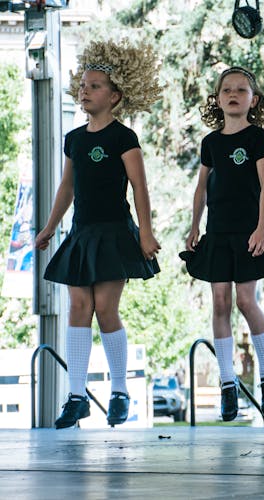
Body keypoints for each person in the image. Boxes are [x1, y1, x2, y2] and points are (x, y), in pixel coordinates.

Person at [34, 39, 162, 429]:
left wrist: (145, 233)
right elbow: (67, 188)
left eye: (94, 86)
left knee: (106, 309)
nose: (85, 91)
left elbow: (139, 187)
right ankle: (76, 396)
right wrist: (50, 227)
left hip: (114, 234)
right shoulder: (74, 139)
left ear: (115, 96)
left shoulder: (124, 138)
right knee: (77, 308)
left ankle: (120, 390)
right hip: (82, 233)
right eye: (83, 86)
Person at [180, 66, 264, 422]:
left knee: (245, 299)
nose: (234, 94)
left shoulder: (257, 138)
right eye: (227, 89)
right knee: (220, 301)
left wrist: (262, 228)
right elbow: (201, 189)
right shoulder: (211, 142)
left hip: (247, 232)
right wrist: (194, 226)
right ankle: (228, 382)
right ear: (218, 98)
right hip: (217, 232)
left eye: (242, 89)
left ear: (253, 100)